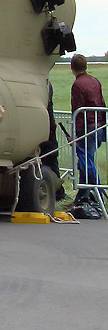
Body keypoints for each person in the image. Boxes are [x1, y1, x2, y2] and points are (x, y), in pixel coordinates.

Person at [70, 54, 105, 217]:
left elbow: (77, 110)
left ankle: (97, 191)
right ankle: (83, 196)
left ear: (72, 67)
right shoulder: (94, 81)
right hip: (98, 125)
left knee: (85, 161)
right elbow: (102, 102)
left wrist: (74, 134)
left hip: (86, 128)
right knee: (86, 160)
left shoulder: (78, 85)